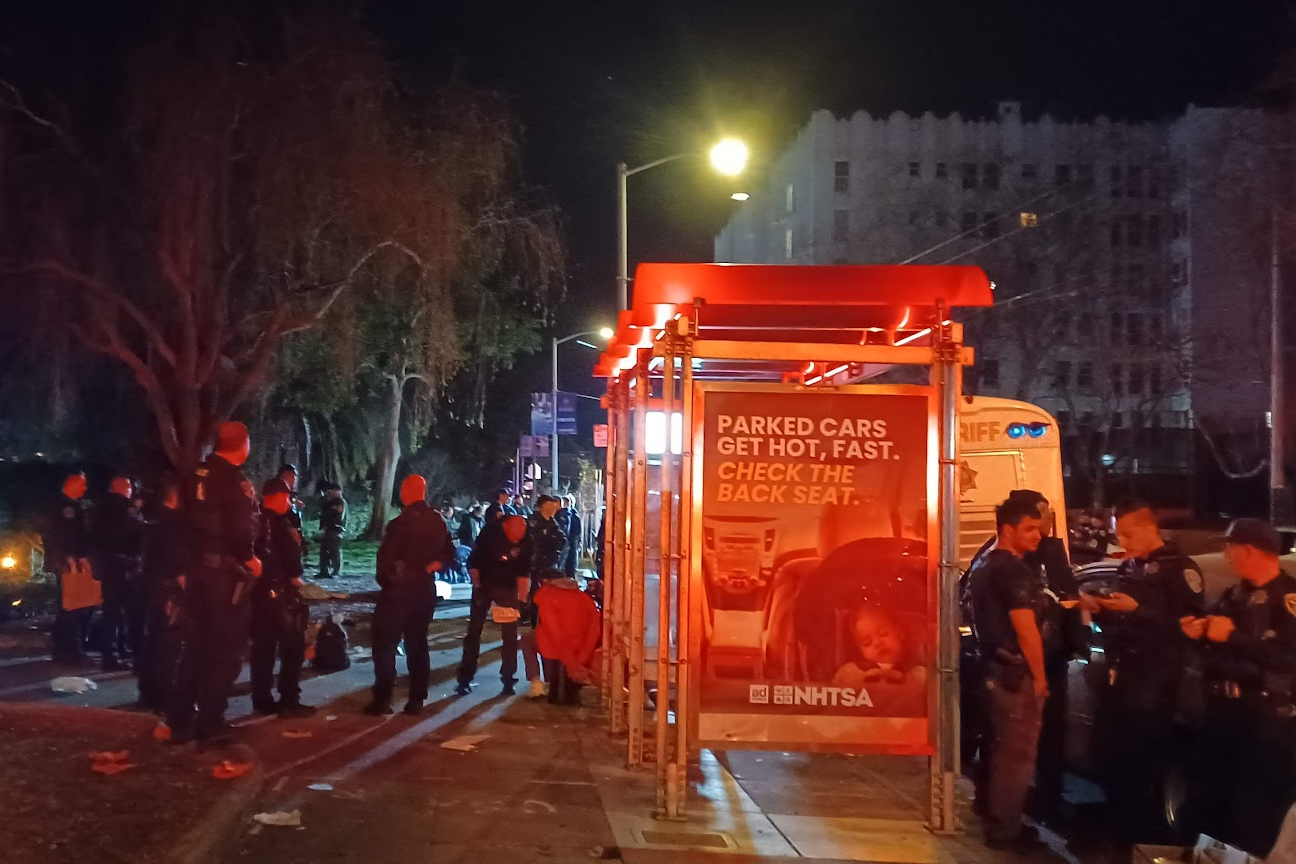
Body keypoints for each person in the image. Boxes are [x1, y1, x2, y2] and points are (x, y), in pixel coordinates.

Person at [1082, 500, 1204, 839]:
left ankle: (1141, 837)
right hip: (1120, 673)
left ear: (1150, 528)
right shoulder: (1128, 568)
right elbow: (1123, 619)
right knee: (1108, 753)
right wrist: (1102, 609)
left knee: (1142, 760)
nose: (1123, 541)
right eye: (1118, 534)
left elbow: (1190, 627)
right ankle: (1116, 827)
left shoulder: (1179, 568)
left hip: (1157, 678)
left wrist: (1140, 610)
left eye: (1129, 533)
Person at [1182, 518, 1296, 856]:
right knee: (1211, 804)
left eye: (1229, 547)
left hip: (1265, 719)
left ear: (1248, 551)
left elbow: (1288, 660)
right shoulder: (1234, 593)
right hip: (1222, 713)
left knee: (1254, 812)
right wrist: (1200, 634)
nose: (1226, 554)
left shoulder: (1287, 599)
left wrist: (1232, 636)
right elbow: (1216, 647)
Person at [168, 421, 262, 746]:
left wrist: (183, 567)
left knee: (195, 647)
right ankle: (211, 720)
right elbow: (240, 531)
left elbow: (178, 525)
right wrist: (251, 559)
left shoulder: (195, 475)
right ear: (244, 445)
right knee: (226, 650)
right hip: (224, 578)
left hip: (196, 575)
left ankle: (179, 719)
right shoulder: (234, 481)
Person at [965, 495, 1048, 850]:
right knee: (1016, 755)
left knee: (996, 749)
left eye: (1039, 529)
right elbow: (1026, 629)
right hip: (1014, 673)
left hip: (990, 667)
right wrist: (1041, 677)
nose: (1038, 536)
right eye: (1029, 529)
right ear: (1008, 529)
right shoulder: (1014, 570)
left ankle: (991, 812)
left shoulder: (983, 565)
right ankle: (1006, 829)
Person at [366, 475, 455, 716]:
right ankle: (417, 699)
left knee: (385, 645)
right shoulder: (438, 521)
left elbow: (385, 563)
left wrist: (387, 581)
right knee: (418, 644)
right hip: (424, 589)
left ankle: (383, 699)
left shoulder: (399, 525)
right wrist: (434, 565)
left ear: (407, 492)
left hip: (398, 591)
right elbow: (450, 555)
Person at [250, 478, 315, 718]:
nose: (289, 501)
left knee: (262, 651)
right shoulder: (282, 527)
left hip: (257, 595)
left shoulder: (252, 523)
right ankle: (289, 699)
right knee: (292, 650)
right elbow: (295, 574)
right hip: (282, 598)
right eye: (287, 497)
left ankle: (261, 699)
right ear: (277, 497)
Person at [456, 514, 533, 696]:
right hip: (485, 583)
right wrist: (477, 585)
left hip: (508, 587)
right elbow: (474, 560)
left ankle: (508, 679)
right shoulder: (490, 533)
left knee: (510, 634)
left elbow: (524, 572)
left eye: (523, 531)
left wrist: (521, 600)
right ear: (506, 527)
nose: (519, 536)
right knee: (474, 632)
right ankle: (465, 678)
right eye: (516, 531)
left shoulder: (527, 541)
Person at [136, 481, 186, 714]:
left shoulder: (153, 523)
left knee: (153, 641)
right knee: (169, 645)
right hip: (169, 590)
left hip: (152, 588)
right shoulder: (175, 525)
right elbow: (176, 560)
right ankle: (166, 697)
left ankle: (148, 693)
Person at [520, 567, 602, 702]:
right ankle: (550, 680)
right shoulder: (584, 598)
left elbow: (555, 633)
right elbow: (594, 631)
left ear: (545, 582)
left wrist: (573, 665)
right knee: (543, 638)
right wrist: (580, 660)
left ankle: (536, 683)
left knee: (530, 639)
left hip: (557, 646)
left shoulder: (547, 595)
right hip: (580, 646)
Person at [94, 475, 146, 670]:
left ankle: (110, 654)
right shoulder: (127, 510)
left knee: (111, 612)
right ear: (126, 489)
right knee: (133, 612)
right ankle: (134, 652)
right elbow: (137, 533)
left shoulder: (99, 509)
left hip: (108, 566)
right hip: (126, 567)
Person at [45, 471, 92, 662]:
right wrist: (70, 558)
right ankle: (70, 651)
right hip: (67, 563)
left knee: (71, 606)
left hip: (70, 561)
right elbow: (63, 536)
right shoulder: (64, 507)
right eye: (82, 484)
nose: (85, 488)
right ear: (72, 485)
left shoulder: (72, 506)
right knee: (72, 606)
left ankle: (63, 648)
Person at [278, 464, 310, 566]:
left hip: (293, 534)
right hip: (283, 536)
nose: (295, 479)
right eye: (293, 476)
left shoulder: (290, 495)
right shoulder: (278, 491)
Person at [317, 483, 347, 579]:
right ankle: (324, 571)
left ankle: (336, 571)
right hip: (328, 529)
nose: (330, 493)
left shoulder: (340, 502)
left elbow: (337, 516)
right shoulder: (329, 502)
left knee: (334, 551)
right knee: (324, 551)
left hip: (336, 529)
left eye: (332, 491)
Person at [559, 496, 583, 579]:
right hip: (564, 544)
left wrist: (575, 542)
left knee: (571, 566)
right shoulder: (561, 515)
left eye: (567, 502)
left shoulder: (573, 516)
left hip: (571, 544)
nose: (566, 504)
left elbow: (577, 531)